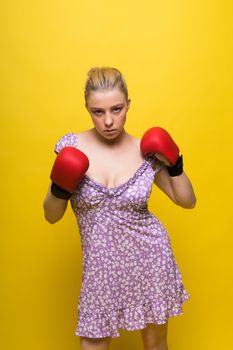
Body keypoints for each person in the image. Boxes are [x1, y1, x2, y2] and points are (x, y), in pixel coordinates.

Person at [43, 66, 196, 350]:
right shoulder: (71, 147)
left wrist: (175, 163)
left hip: (151, 259)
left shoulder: (146, 151)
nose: (109, 121)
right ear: (87, 108)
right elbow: (52, 216)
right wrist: (59, 187)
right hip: (100, 269)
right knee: (93, 342)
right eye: (98, 112)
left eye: (117, 109)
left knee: (155, 344)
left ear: (128, 104)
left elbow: (187, 201)